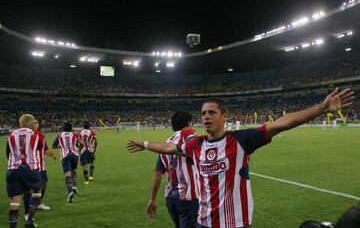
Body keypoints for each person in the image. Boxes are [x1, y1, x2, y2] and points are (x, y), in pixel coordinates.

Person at [127, 88, 354, 228]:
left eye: (212, 112)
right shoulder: (196, 145)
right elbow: (169, 147)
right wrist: (145, 144)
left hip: (236, 224)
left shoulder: (241, 140)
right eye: (203, 113)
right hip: (203, 223)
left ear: (225, 116)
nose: (206, 117)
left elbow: (280, 124)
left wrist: (321, 108)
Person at [146, 111, 198, 228]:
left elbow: (158, 174)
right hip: (189, 196)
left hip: (170, 197)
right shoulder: (189, 133)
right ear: (189, 122)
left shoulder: (166, 143)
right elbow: (194, 145)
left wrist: (152, 199)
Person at [6, 114, 45, 228]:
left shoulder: (11, 135)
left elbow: (8, 153)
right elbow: (39, 147)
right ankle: (29, 219)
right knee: (38, 191)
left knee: (15, 201)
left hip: (13, 170)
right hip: (30, 168)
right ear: (32, 124)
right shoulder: (36, 134)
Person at [23, 120, 56, 220]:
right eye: (36, 122)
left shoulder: (38, 135)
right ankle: (29, 210)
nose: (38, 124)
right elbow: (44, 149)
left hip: (37, 165)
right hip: (34, 165)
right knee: (31, 187)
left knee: (43, 182)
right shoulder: (36, 135)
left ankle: (38, 203)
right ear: (31, 124)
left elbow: (44, 149)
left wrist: (52, 155)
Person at [52, 122, 83, 203]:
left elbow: (53, 146)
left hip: (65, 156)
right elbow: (82, 143)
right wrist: (79, 149)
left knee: (67, 175)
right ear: (71, 128)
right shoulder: (75, 134)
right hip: (74, 155)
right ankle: (74, 186)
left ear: (63, 128)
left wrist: (60, 146)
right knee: (74, 171)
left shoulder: (59, 135)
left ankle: (70, 192)